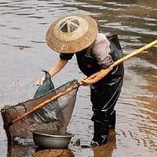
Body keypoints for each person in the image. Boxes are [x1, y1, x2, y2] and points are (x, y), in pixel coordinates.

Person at [37, 14, 124, 146]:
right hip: (94, 73)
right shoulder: (71, 42)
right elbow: (63, 60)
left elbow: (107, 68)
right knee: (98, 104)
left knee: (102, 109)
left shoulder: (98, 42)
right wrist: (47, 76)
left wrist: (92, 81)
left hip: (111, 74)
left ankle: (99, 143)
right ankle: (110, 131)